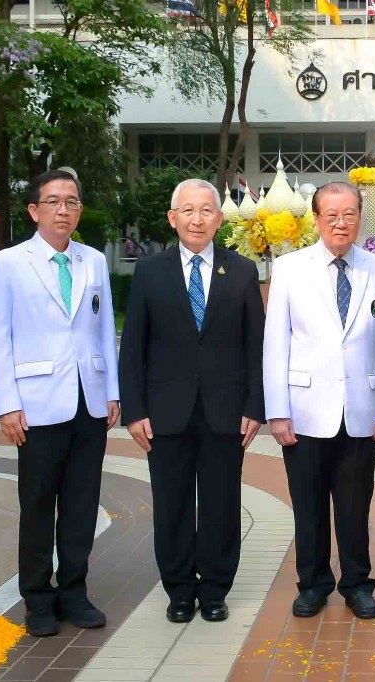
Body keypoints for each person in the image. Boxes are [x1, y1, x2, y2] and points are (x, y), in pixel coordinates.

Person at [118, 178, 265, 624]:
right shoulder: (150, 271)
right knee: (172, 504)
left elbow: (256, 346)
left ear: (219, 219)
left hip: (226, 412)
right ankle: (179, 590)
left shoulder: (242, 271)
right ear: (172, 218)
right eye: (188, 210)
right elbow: (133, 345)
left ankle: (215, 589)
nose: (197, 219)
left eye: (206, 211)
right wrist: (134, 411)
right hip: (166, 412)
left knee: (222, 504)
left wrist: (255, 407)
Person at [0, 169, 120, 637]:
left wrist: (112, 391)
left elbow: (105, 329)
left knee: (82, 505)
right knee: (39, 504)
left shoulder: (93, 261)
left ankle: (74, 592)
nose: (64, 210)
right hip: (36, 404)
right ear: (34, 210)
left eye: (72, 202)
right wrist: (7, 404)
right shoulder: (6, 264)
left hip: (89, 401)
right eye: (54, 201)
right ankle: (38, 598)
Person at [263, 182, 375, 620]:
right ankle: (313, 584)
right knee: (309, 506)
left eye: (349, 214)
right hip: (303, 411)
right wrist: (277, 411)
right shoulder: (290, 268)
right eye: (332, 215)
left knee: (356, 508)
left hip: (361, 409)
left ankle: (357, 584)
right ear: (317, 219)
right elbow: (275, 343)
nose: (341, 223)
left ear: (360, 217)